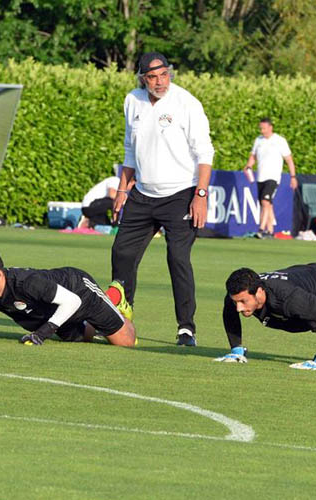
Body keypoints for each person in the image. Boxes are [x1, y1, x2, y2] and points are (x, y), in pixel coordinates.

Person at [109, 51, 214, 347]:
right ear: (143, 78)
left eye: (164, 74)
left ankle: (186, 329)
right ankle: (120, 318)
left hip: (181, 194)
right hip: (142, 194)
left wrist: (200, 195)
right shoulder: (132, 100)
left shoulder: (187, 103)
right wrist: (122, 189)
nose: (160, 82)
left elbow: (205, 152)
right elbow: (130, 149)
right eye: (153, 77)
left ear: (170, 73)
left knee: (177, 258)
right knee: (121, 253)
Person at [0, 250, 137, 347]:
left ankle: (114, 299)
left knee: (126, 342)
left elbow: (73, 301)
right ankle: (99, 314)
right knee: (79, 337)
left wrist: (41, 334)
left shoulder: (27, 283)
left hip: (79, 291)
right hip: (53, 307)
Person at [242, 117, 297, 239]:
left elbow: (289, 160)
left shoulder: (279, 141)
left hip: (273, 177)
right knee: (267, 204)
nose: (262, 131)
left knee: (265, 201)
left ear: (270, 127)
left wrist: (293, 176)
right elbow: (253, 156)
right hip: (260, 177)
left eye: (264, 128)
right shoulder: (258, 140)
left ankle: (261, 229)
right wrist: (249, 166)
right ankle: (270, 230)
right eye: (261, 128)